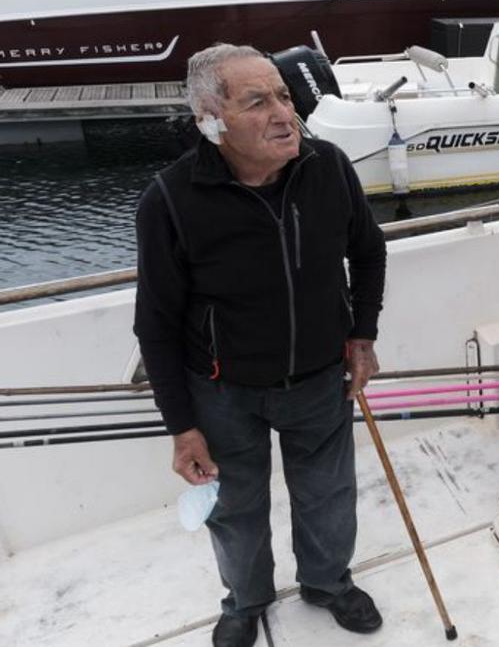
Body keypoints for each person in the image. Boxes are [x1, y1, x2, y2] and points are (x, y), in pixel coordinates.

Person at [133, 43, 388, 647]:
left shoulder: (328, 166)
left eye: (282, 94)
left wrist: (363, 333)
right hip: (223, 391)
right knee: (235, 509)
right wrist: (182, 426)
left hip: (321, 377)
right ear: (211, 121)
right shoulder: (169, 201)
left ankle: (328, 584)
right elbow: (156, 324)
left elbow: (368, 250)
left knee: (328, 496)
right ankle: (245, 602)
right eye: (257, 102)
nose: (283, 113)